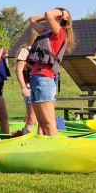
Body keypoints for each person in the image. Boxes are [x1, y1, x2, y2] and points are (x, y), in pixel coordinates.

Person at [25, 8, 75, 136]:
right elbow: (32, 19)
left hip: (45, 79)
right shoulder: (47, 33)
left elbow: (48, 13)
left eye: (57, 15)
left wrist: (62, 14)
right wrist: (50, 17)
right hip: (36, 79)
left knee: (49, 124)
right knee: (41, 124)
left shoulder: (59, 33)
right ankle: (44, 150)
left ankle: (58, 151)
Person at [14, 29, 39, 136]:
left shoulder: (39, 51)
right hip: (29, 87)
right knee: (31, 119)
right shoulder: (25, 50)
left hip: (38, 87)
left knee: (38, 119)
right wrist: (23, 87)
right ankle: (25, 140)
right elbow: (18, 70)